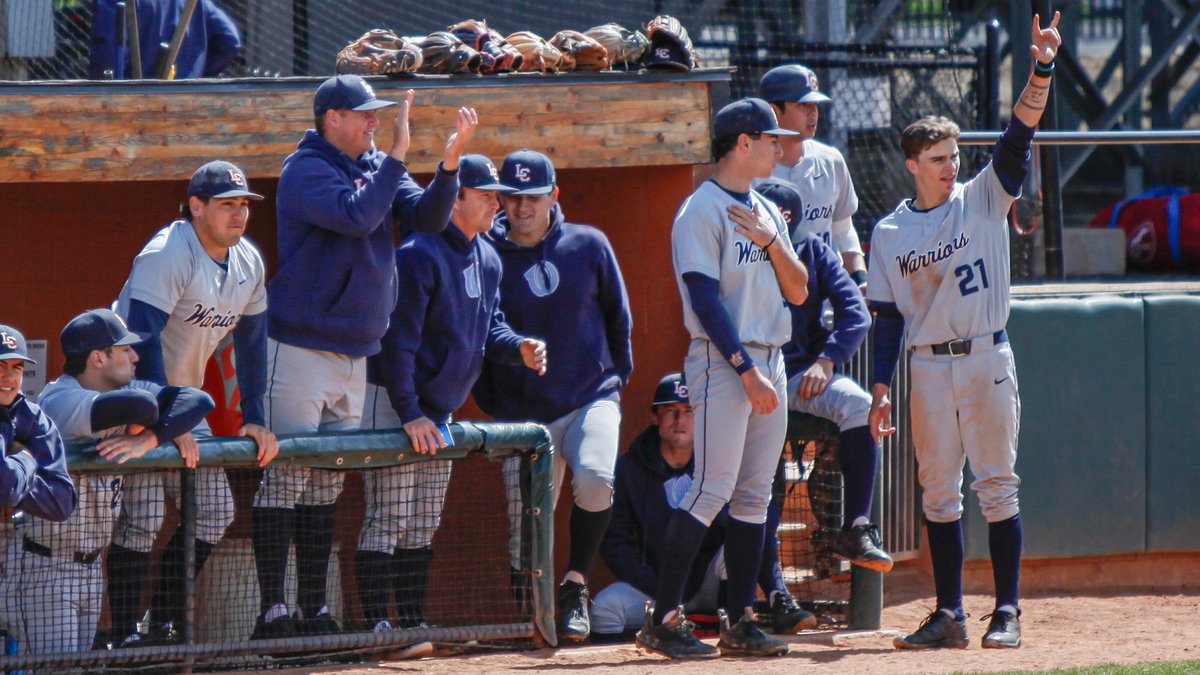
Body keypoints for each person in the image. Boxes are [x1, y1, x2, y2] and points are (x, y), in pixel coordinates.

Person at [250, 74, 476, 639]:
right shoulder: (306, 168)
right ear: (333, 119)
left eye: (379, 114)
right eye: (364, 114)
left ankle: (313, 610)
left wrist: (447, 166)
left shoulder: (375, 165)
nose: (376, 122)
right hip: (300, 344)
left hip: (355, 352)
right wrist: (397, 157)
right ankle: (273, 611)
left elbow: (426, 218)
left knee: (327, 482)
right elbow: (357, 217)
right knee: (287, 478)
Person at [867, 12, 1062, 652]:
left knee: (998, 485)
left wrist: (1041, 69)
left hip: (985, 357)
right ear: (911, 165)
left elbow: (1018, 134)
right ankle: (949, 612)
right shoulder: (890, 234)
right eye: (937, 159)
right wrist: (880, 386)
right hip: (926, 367)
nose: (950, 166)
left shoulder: (982, 197)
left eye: (953, 156)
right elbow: (889, 316)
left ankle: (1006, 611)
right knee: (938, 494)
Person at [636, 98, 809, 660]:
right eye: (770, 139)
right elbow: (705, 301)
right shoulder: (700, 209)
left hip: (772, 356)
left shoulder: (761, 209)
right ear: (742, 143)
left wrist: (769, 240)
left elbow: (801, 288)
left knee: (756, 496)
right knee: (712, 490)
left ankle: (740, 620)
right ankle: (662, 619)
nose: (779, 148)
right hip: (724, 360)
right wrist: (745, 369)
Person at [355, 155, 547, 633]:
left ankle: (413, 624)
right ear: (454, 198)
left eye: (496, 196)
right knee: (388, 517)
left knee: (421, 523)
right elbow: (397, 343)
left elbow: (491, 326)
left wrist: (517, 347)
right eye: (485, 196)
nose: (496, 205)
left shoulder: (488, 255)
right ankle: (379, 626)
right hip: (398, 403)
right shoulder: (419, 251)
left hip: (439, 411)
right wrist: (409, 412)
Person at [110, 159, 277, 646]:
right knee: (141, 519)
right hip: (132, 397)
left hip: (180, 402)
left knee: (214, 511)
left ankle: (161, 620)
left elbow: (251, 344)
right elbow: (141, 342)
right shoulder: (168, 252)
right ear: (196, 206)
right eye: (227, 204)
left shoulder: (248, 260)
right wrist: (165, 421)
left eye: (243, 204)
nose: (239, 214)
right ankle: (123, 635)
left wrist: (257, 419)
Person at [473, 149, 633, 642]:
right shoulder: (484, 252)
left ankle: (575, 586)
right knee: (527, 525)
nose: (523, 208)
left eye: (534, 198)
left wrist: (615, 381)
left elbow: (618, 317)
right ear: (500, 199)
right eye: (513, 198)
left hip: (590, 395)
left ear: (554, 196)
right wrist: (497, 407)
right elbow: (479, 332)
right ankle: (535, 615)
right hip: (523, 416)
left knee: (596, 478)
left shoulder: (589, 243)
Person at [22, 309, 213, 656]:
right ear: (98, 358)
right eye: (125, 350)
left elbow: (199, 400)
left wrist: (150, 439)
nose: (136, 356)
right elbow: (140, 405)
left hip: (92, 567)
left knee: (79, 665)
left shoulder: (119, 386)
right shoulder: (60, 399)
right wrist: (161, 426)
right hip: (47, 567)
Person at [593, 373, 817, 642]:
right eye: (670, 411)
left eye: (689, 411)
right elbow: (613, 541)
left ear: (702, 416)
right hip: (657, 586)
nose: (679, 420)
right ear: (655, 417)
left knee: (741, 541)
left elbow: (755, 515)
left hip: (711, 578)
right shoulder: (630, 468)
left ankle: (732, 622)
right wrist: (654, 583)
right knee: (605, 609)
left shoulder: (721, 460)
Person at [755, 180, 894, 574]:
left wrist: (828, 361)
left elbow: (857, 312)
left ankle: (856, 528)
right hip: (749, 379)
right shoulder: (738, 253)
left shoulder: (813, 247)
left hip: (801, 376)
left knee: (859, 406)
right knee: (759, 487)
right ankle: (763, 584)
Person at [759, 64, 867, 290]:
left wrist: (859, 278)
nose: (813, 112)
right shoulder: (752, 171)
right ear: (773, 111)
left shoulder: (831, 160)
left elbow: (843, 229)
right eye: (802, 105)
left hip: (828, 291)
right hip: (775, 293)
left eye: (815, 105)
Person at [0, 324, 76, 521]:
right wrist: (26, 458)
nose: (9, 377)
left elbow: (62, 503)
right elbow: (5, 487)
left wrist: (15, 478)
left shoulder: (32, 417)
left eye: (17, 368)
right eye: (0, 366)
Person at [89, 0, 242, 80]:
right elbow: (229, 40)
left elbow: (108, 54)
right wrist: (194, 74)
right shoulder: (195, 2)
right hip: (185, 102)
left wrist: (105, 92)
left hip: (134, 103)